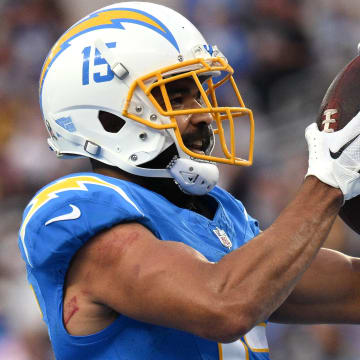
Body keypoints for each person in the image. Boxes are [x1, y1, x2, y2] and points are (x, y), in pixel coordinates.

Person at [18, 2, 360, 359]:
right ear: (107, 116)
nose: (204, 115)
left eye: (198, 95)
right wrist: (329, 180)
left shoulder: (217, 211)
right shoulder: (77, 207)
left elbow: (352, 289)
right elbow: (223, 304)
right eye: (175, 99)